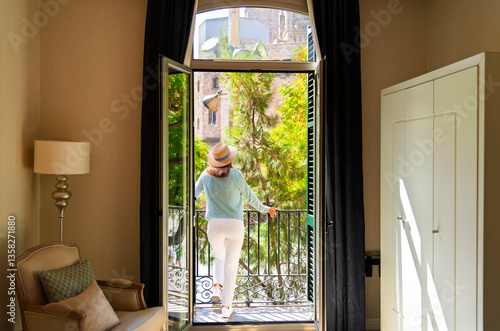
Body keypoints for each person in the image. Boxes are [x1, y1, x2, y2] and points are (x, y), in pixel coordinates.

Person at [195, 142, 277, 319]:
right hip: (234, 225)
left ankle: (217, 287)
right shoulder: (236, 175)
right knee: (231, 266)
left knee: (219, 257)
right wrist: (265, 209)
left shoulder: (205, 175)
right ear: (229, 160)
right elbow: (250, 196)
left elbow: (192, 194)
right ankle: (226, 308)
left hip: (214, 225)